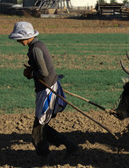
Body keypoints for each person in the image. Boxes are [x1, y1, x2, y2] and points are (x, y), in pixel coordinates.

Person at [9, 21, 78, 156]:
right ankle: (69, 145)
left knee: (38, 130)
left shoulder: (35, 49)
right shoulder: (37, 45)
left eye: (19, 38)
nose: (18, 41)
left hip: (47, 90)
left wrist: (30, 74)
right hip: (48, 87)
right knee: (42, 126)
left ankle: (44, 158)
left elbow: (44, 73)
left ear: (26, 36)